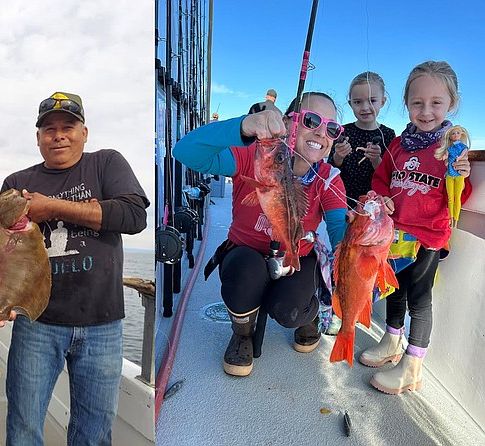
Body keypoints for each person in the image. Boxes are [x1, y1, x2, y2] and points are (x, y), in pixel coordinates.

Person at [1, 91, 149, 445]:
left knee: (93, 433)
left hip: (103, 323)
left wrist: (52, 207)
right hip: (36, 322)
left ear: (85, 132)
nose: (59, 135)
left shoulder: (106, 163)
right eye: (49, 128)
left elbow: (134, 215)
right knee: (23, 427)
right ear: (38, 138)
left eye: (69, 126)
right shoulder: (15, 183)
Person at [173, 91, 348, 376]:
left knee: (289, 310)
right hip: (246, 254)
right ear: (287, 123)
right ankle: (242, 333)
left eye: (331, 128)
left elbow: (339, 228)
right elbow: (185, 151)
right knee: (243, 277)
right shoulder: (254, 156)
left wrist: (363, 237)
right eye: (312, 120)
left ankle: (310, 313)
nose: (320, 132)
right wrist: (243, 127)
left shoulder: (328, 178)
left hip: (296, 256)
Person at [364, 60, 471, 395]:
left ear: (451, 104)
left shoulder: (452, 147)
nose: (426, 111)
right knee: (394, 287)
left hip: (428, 238)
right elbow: (380, 179)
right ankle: (391, 341)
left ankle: (412, 366)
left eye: (436, 103)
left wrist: (461, 173)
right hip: (394, 234)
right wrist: (381, 198)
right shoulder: (397, 145)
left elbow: (460, 195)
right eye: (417, 103)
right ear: (406, 104)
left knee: (420, 299)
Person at [328, 71, 396, 209]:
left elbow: (389, 175)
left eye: (372, 101)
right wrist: (338, 155)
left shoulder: (388, 134)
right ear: (350, 103)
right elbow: (331, 168)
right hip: (343, 201)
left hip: (374, 205)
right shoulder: (342, 131)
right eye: (358, 102)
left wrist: (376, 159)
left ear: (382, 102)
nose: (365, 107)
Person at [435, 124, 470, 227]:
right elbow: (446, 156)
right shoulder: (449, 149)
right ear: (449, 136)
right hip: (450, 174)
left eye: (458, 133)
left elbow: (464, 151)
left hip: (458, 175)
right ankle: (451, 218)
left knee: (457, 197)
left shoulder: (463, 147)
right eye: (453, 133)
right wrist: (445, 159)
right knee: (451, 198)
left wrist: (460, 157)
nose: (455, 135)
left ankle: (456, 220)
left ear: (461, 135)